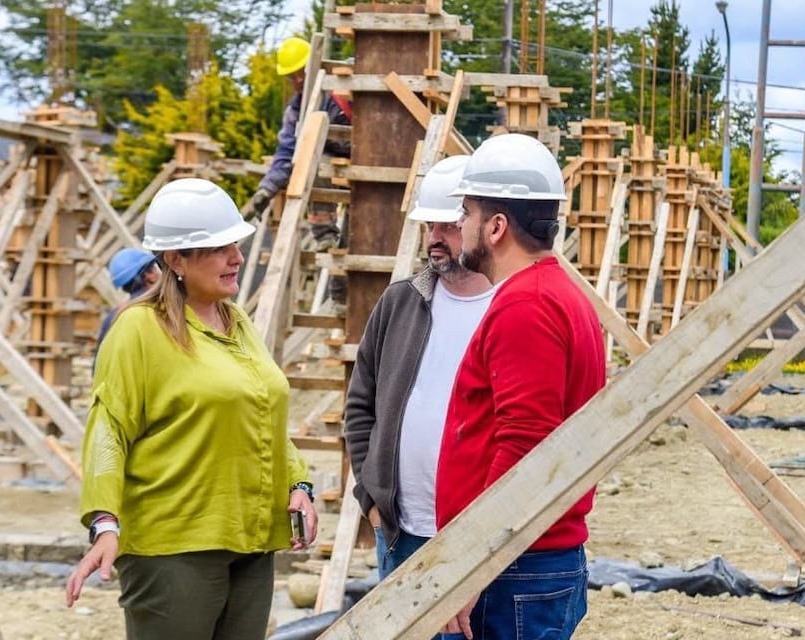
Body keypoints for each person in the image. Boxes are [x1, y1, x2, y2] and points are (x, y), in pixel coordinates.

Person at [65, 177, 319, 640]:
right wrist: (104, 522)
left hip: (251, 538)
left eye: (235, 245)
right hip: (173, 547)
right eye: (218, 248)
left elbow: (261, 412)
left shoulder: (236, 321)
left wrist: (298, 484)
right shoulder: (139, 330)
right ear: (175, 260)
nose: (236, 257)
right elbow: (108, 429)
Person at [435, 134, 606, 640]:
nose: (459, 225)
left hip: (513, 568)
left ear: (496, 226)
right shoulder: (555, 294)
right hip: (526, 561)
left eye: (466, 213)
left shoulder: (526, 305)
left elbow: (524, 446)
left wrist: (471, 567)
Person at [344, 155, 493, 581]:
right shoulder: (401, 302)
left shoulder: (508, 307)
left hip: (478, 530)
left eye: (447, 226)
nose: (434, 239)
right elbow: (360, 405)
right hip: (401, 531)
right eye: (430, 226)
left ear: (481, 227)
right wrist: (372, 500)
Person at [248, 36, 352, 254]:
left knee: (360, 238)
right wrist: (267, 188)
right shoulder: (296, 111)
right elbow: (287, 151)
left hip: (367, 163)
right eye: (291, 77)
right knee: (314, 162)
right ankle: (325, 235)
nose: (297, 81)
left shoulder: (342, 90)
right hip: (330, 170)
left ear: (314, 65)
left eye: (301, 73)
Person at [95, 247, 160, 357]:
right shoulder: (162, 309)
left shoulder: (113, 316)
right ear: (150, 275)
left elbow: (98, 361)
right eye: (155, 268)